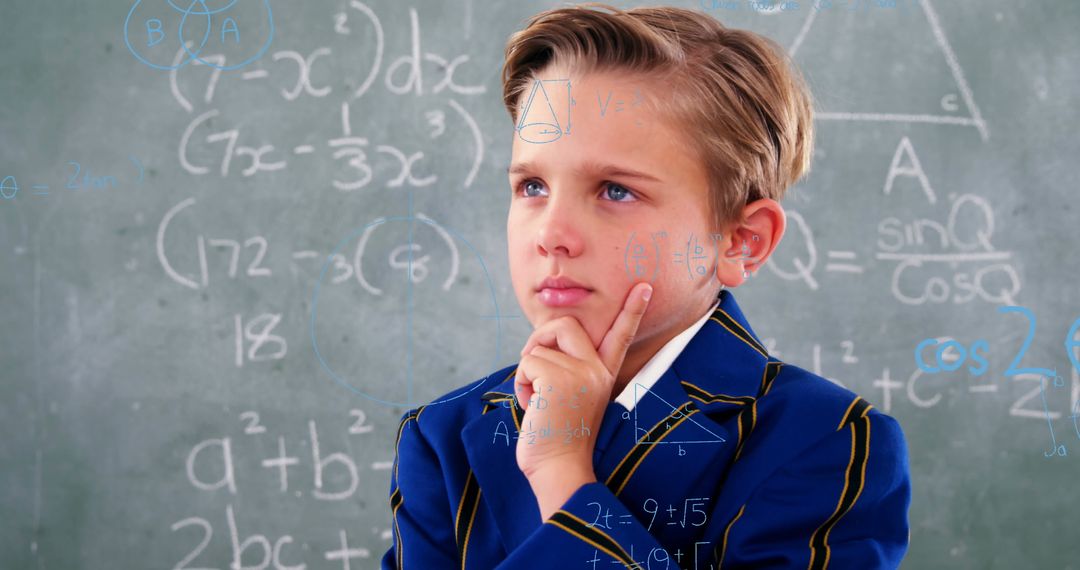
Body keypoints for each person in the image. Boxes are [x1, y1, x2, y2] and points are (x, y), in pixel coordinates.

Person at [381, 3, 911, 568]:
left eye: (615, 190)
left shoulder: (824, 440)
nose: (551, 234)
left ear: (740, 241)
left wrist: (563, 472)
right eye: (532, 185)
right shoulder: (443, 437)